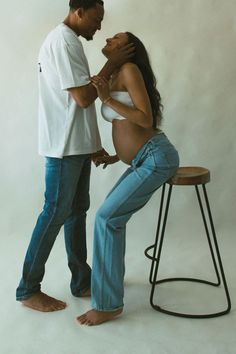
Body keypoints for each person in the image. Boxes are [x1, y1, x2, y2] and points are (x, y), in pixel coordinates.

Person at [16, 0, 134, 312]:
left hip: (75, 145)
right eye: (96, 19)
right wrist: (111, 64)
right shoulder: (62, 41)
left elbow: (77, 100)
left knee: (76, 211)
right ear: (79, 11)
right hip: (63, 147)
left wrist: (92, 143)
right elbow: (83, 97)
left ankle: (81, 281)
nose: (99, 26)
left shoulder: (71, 41)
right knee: (55, 212)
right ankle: (28, 289)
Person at [77, 32, 180, 325]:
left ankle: (108, 304)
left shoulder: (129, 70)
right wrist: (116, 155)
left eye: (117, 37)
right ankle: (109, 287)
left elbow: (145, 119)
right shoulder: (113, 74)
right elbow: (124, 123)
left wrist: (107, 98)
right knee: (110, 219)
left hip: (156, 157)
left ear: (128, 48)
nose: (108, 37)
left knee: (106, 218)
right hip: (141, 159)